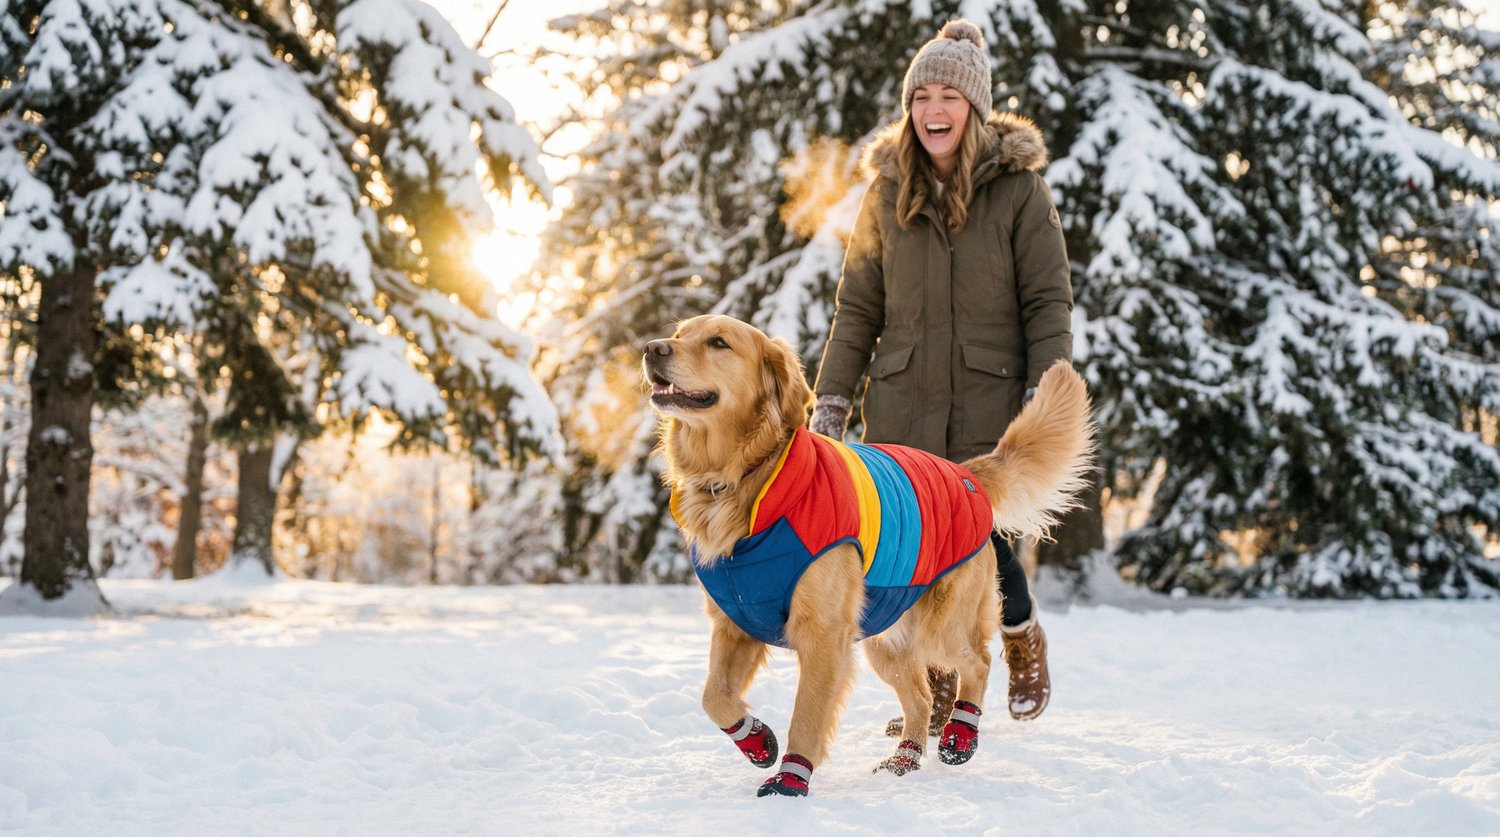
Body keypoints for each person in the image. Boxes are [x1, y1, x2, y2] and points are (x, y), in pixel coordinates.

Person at [808, 19, 1072, 733]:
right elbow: (858, 306)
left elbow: (1047, 298)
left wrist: (1041, 393)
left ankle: (1019, 638)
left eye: (949, 94)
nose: (934, 109)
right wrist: (831, 397)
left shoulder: (1018, 192)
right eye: (921, 94)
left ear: (975, 108)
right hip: (900, 403)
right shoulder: (886, 193)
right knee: (910, 550)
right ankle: (933, 687)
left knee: (980, 543)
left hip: (991, 398)